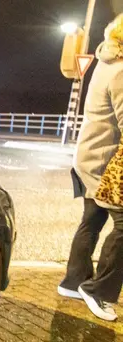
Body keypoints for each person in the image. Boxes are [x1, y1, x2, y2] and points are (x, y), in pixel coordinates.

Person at [59, 14, 123, 321]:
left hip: (88, 156)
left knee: (93, 218)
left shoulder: (106, 61)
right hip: (103, 162)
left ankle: (73, 282)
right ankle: (98, 290)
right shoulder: (121, 70)